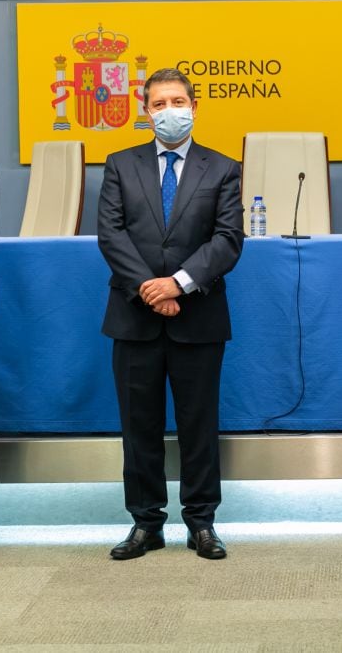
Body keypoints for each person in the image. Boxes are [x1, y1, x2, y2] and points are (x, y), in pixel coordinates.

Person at [98, 68, 243, 561]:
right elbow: (111, 235)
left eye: (177, 101)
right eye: (158, 103)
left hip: (197, 316)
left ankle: (201, 522)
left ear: (195, 106)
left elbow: (227, 240)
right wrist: (148, 287)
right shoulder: (120, 164)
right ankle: (146, 523)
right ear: (145, 110)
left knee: (198, 424)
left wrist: (177, 283)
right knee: (138, 427)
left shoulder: (222, 168)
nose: (168, 111)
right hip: (134, 316)